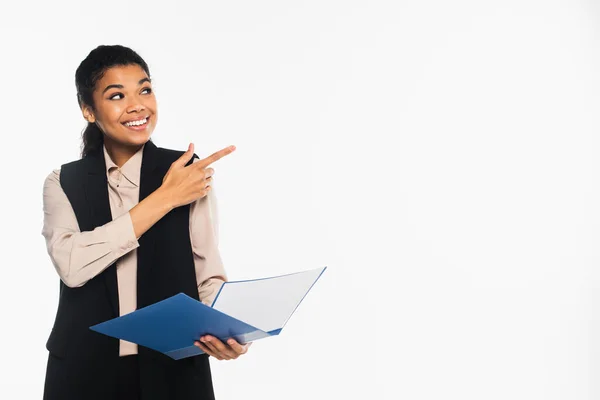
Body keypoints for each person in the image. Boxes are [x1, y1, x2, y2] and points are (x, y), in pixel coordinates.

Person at [41, 44, 250, 400]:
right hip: (82, 370)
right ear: (88, 110)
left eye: (145, 89)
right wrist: (165, 198)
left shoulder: (185, 172)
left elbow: (207, 273)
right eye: (117, 95)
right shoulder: (62, 182)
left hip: (174, 367)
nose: (137, 105)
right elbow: (72, 265)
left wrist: (228, 332)